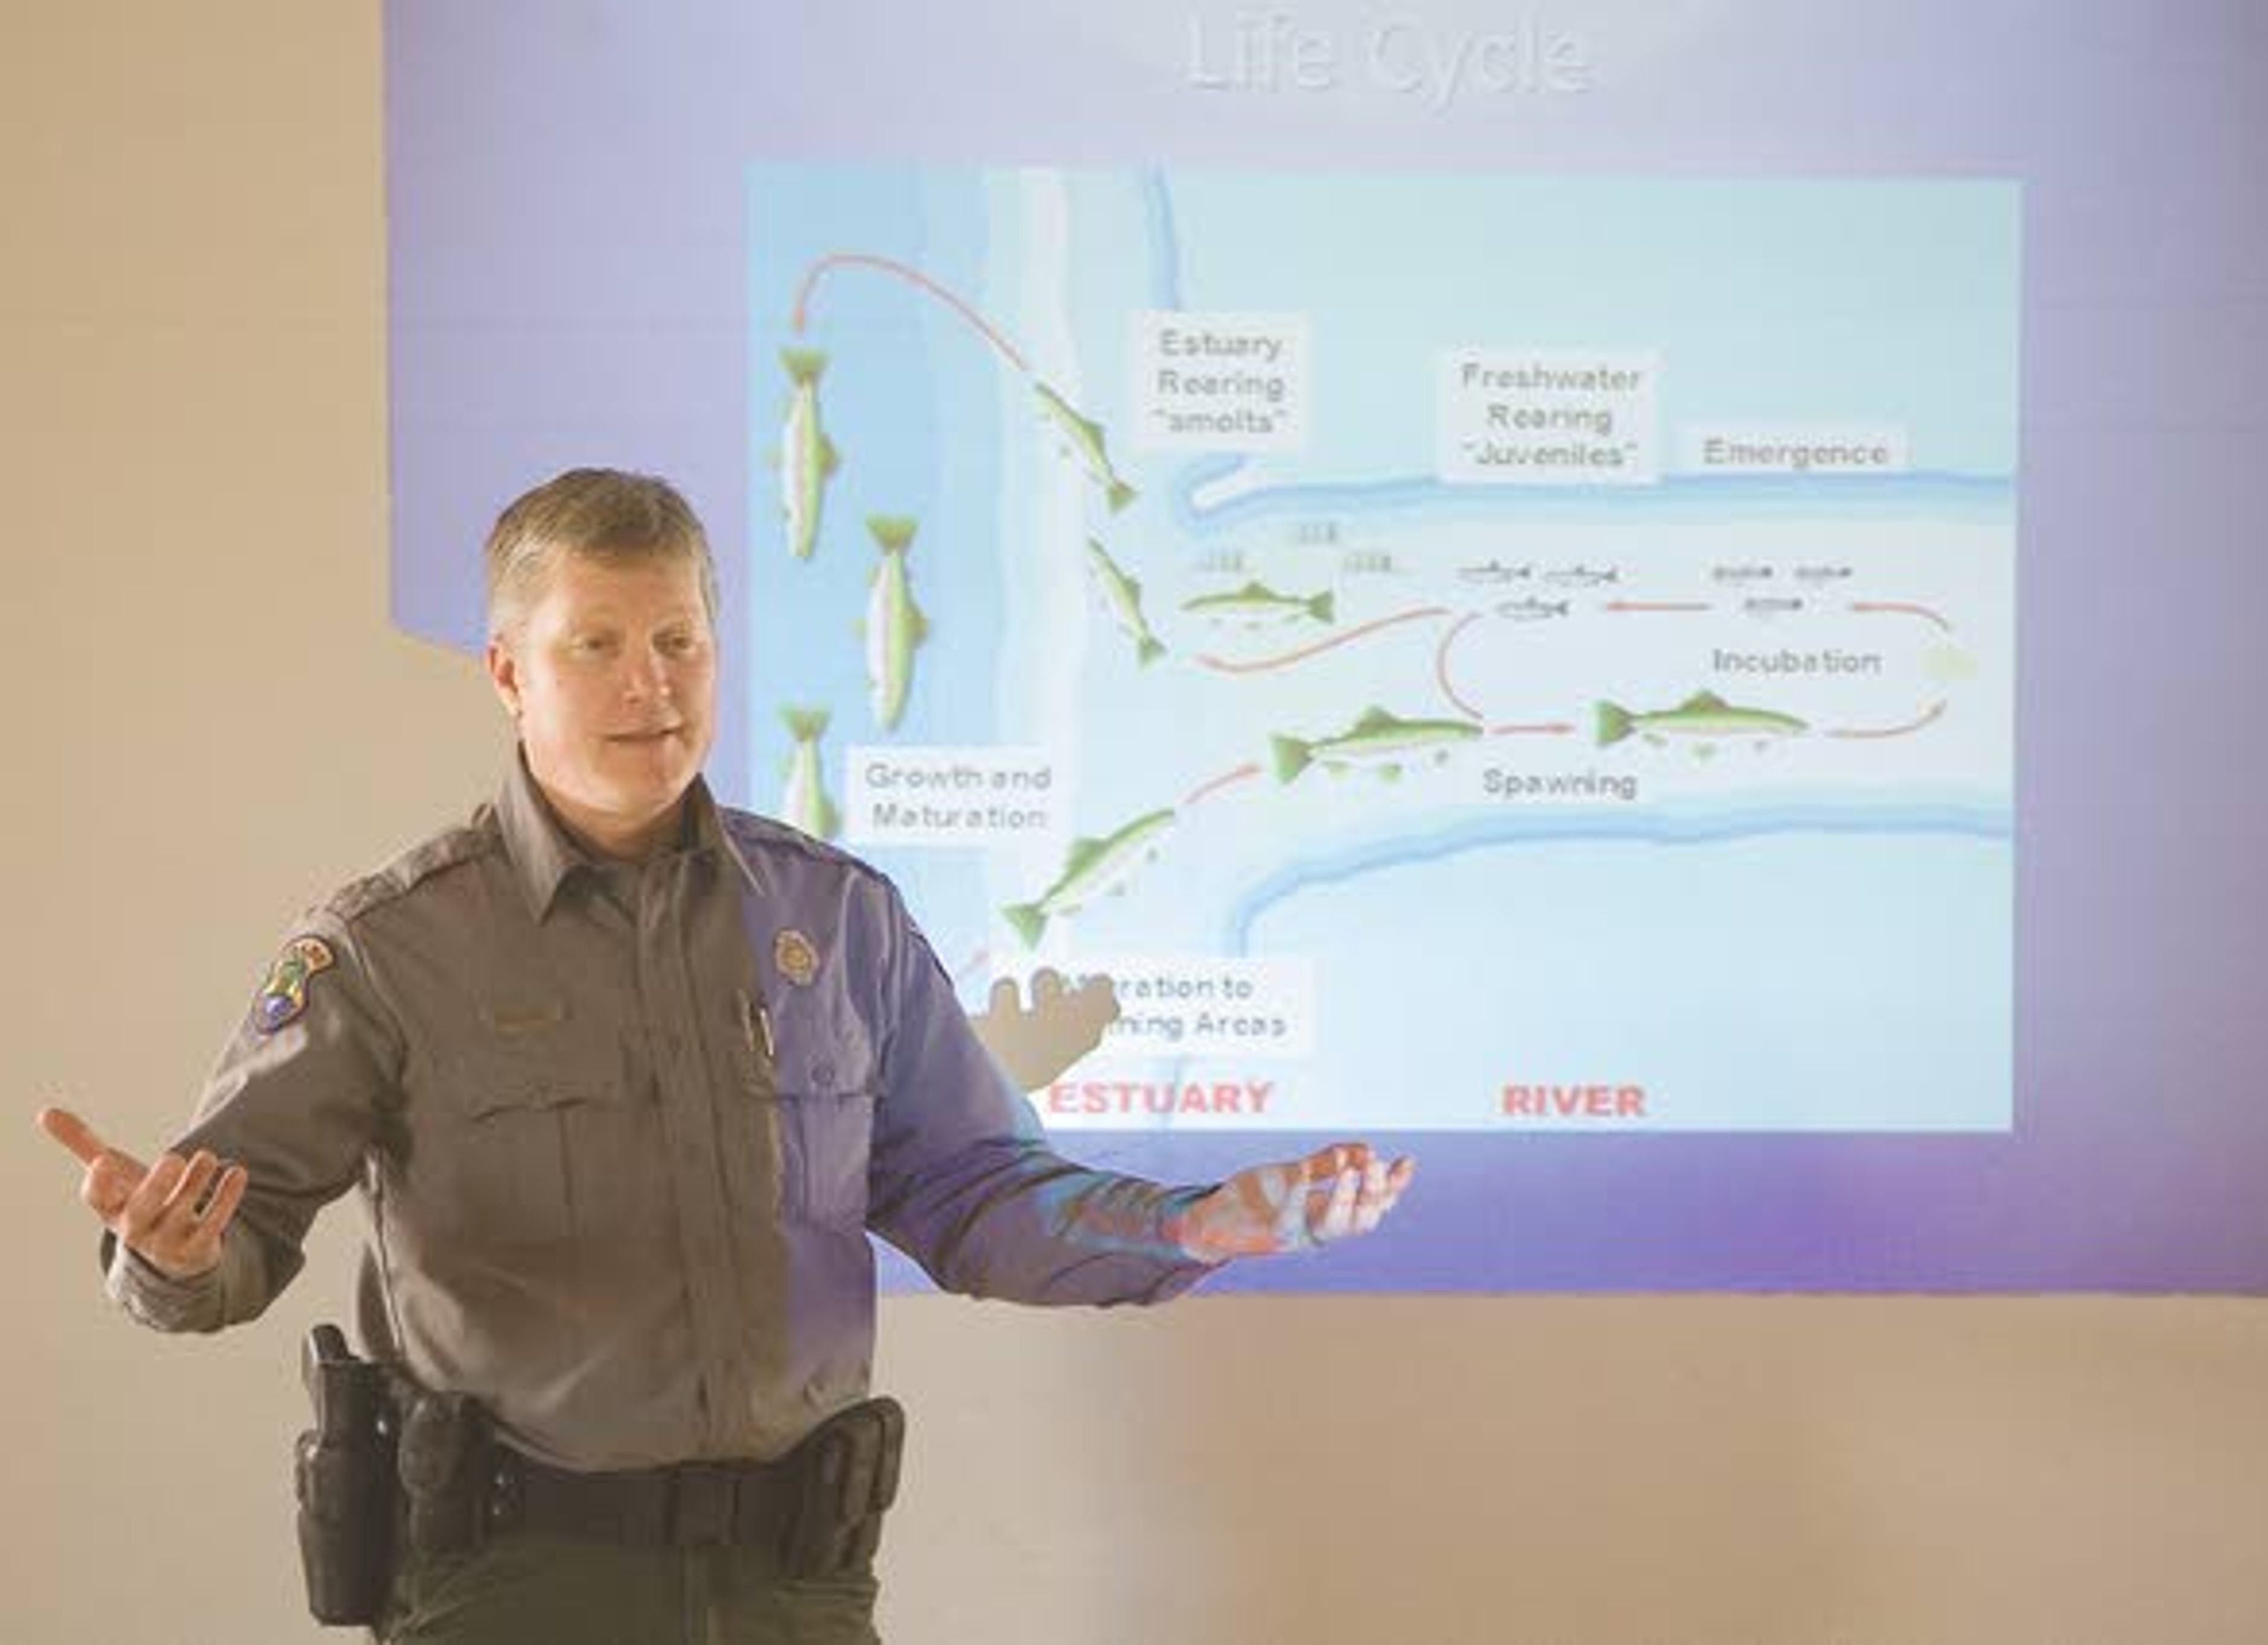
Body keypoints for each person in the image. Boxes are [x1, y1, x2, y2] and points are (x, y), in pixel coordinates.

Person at [36, 467, 1413, 1644]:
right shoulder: (393, 947)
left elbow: (976, 1195)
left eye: (680, 640)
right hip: (516, 1577)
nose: (651, 685)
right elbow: (227, 1240)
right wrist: (169, 1254)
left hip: (791, 1583)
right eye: (598, 645)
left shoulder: (837, 917)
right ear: (509, 671)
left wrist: (1192, 1226)